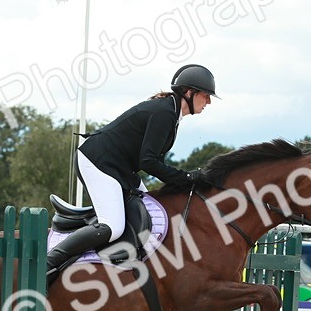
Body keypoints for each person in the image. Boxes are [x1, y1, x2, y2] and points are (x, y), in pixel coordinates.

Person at [46, 64, 219, 282]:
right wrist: (186, 178)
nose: (209, 102)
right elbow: (148, 162)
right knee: (114, 227)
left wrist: (185, 180)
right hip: (98, 162)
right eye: (206, 95)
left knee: (154, 212)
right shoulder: (165, 112)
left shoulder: (171, 112)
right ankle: (49, 263)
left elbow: (151, 161)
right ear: (189, 92)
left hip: (120, 168)